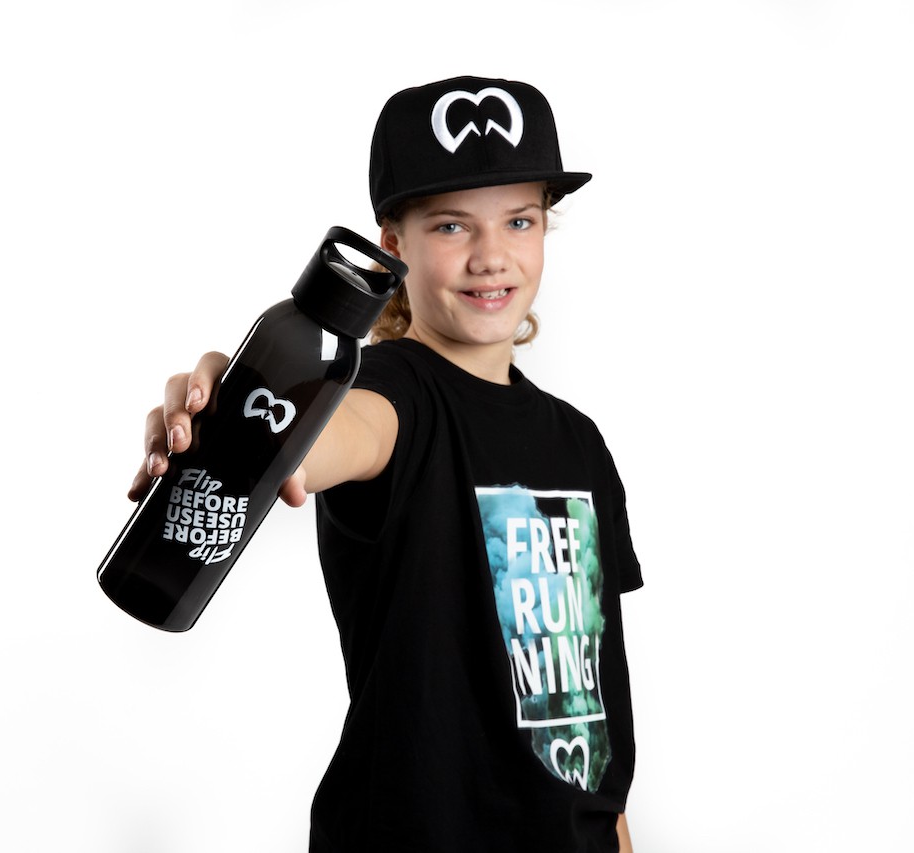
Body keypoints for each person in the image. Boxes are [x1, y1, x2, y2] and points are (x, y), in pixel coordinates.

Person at [128, 76, 642, 852]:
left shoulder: (580, 443)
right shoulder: (389, 394)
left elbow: (592, 708)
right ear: (394, 246)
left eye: (519, 220)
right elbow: (330, 436)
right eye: (451, 225)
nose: (492, 256)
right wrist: (249, 416)